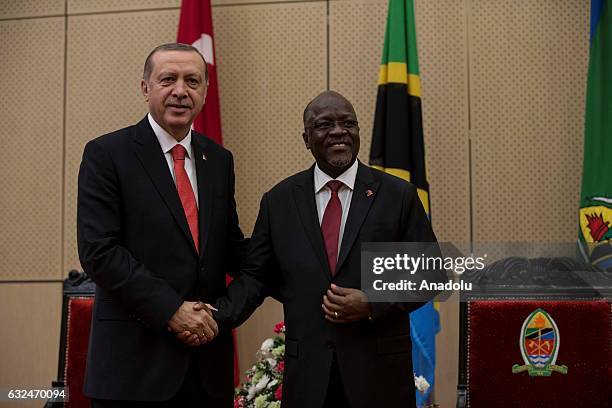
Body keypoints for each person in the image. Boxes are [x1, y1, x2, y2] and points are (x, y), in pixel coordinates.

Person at [213, 91, 443, 408]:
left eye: (348, 123)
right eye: (325, 124)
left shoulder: (397, 195)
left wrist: (372, 301)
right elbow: (255, 276)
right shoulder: (279, 201)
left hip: (379, 378)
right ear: (306, 138)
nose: (338, 131)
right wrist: (212, 319)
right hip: (309, 379)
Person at [77, 43, 247, 408]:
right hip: (132, 371)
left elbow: (229, 249)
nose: (180, 91)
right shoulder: (107, 154)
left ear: (204, 91)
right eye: (168, 79)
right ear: (145, 88)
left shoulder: (218, 159)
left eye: (193, 81)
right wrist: (171, 309)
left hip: (206, 371)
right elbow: (100, 252)